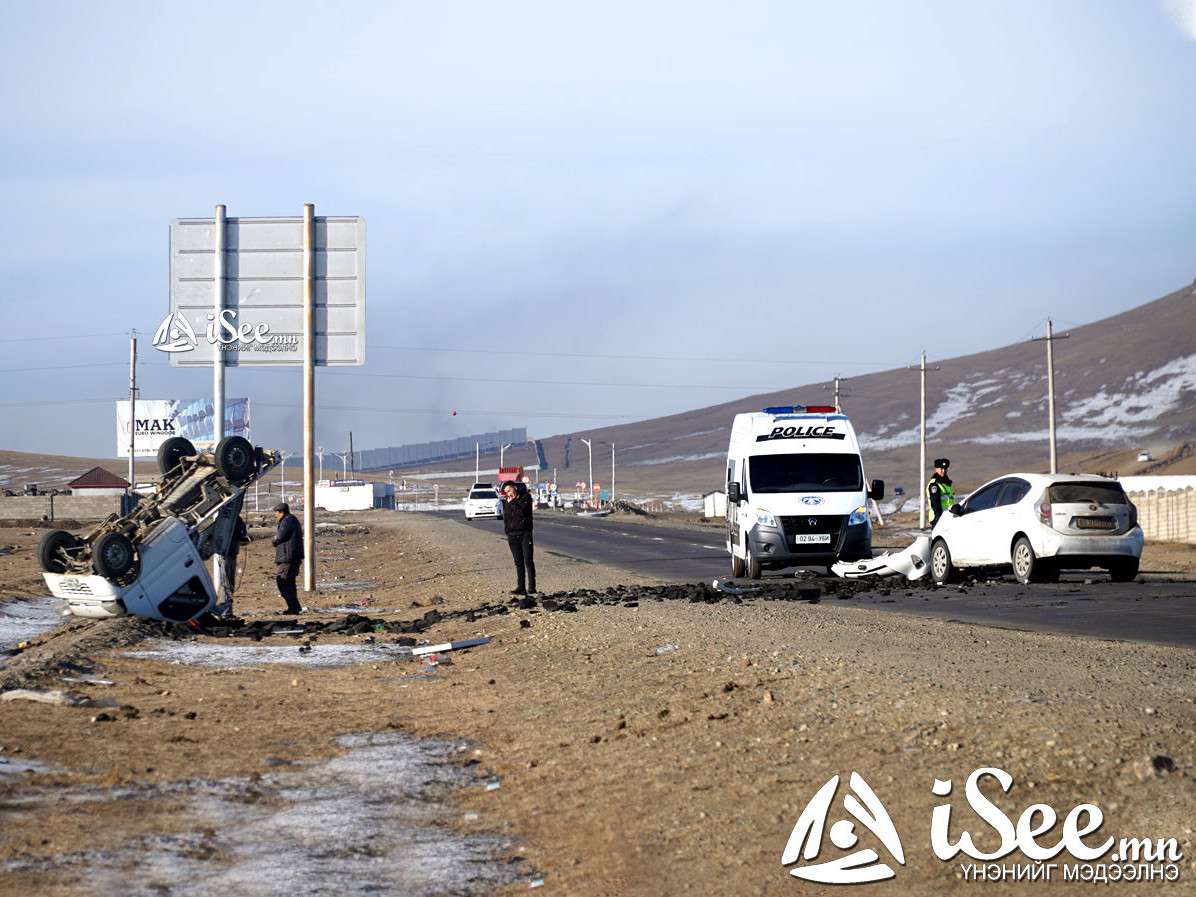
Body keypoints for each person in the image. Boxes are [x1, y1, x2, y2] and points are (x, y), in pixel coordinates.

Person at [501, 481, 536, 595]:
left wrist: (512, 502)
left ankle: (531, 587)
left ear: (515, 488)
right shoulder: (507, 501)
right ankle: (521, 587)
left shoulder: (525, 497)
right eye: (506, 492)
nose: (508, 494)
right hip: (512, 535)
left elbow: (521, 512)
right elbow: (506, 516)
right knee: (518, 561)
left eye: (509, 490)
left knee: (528, 560)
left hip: (524, 533)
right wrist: (507, 531)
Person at [271, 502, 304, 614]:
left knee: (282, 581)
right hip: (291, 556)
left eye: (277, 513)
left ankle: (294, 607)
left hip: (288, 557)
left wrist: (274, 540)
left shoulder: (287, 521)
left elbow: (280, 536)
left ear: (281, 512)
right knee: (289, 582)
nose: (276, 515)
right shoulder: (291, 520)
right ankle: (294, 608)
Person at [215, 514, 249, 616]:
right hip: (225, 554)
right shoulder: (224, 519)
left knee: (229, 584)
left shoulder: (235, 519)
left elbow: (241, 533)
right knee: (226, 584)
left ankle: (228, 609)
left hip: (231, 554)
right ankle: (225, 610)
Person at [926, 458, 955, 528]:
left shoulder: (946, 483)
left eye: (945, 469)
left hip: (948, 517)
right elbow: (935, 503)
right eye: (941, 469)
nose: (943, 471)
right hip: (939, 518)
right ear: (936, 469)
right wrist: (939, 519)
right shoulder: (934, 484)